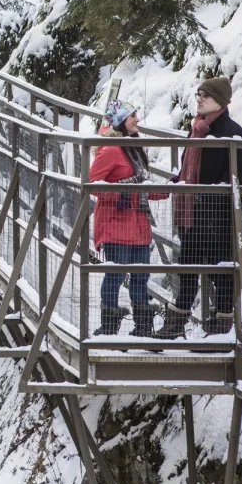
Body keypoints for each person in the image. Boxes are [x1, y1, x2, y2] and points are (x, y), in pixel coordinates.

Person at [157, 75, 242, 338]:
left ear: (219, 101)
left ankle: (222, 329)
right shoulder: (198, 129)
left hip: (218, 218)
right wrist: (178, 182)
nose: (199, 99)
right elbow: (188, 170)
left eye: (205, 95)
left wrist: (205, 196)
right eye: (198, 94)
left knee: (220, 273)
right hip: (193, 216)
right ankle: (175, 325)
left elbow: (239, 180)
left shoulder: (232, 133)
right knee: (187, 269)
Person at [89, 100, 166, 337]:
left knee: (140, 277)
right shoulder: (111, 149)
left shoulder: (133, 148)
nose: (137, 120)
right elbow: (93, 184)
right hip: (116, 225)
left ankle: (143, 328)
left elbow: (142, 187)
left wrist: (169, 188)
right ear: (121, 120)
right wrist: (122, 193)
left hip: (138, 226)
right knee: (115, 275)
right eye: (133, 116)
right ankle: (109, 328)